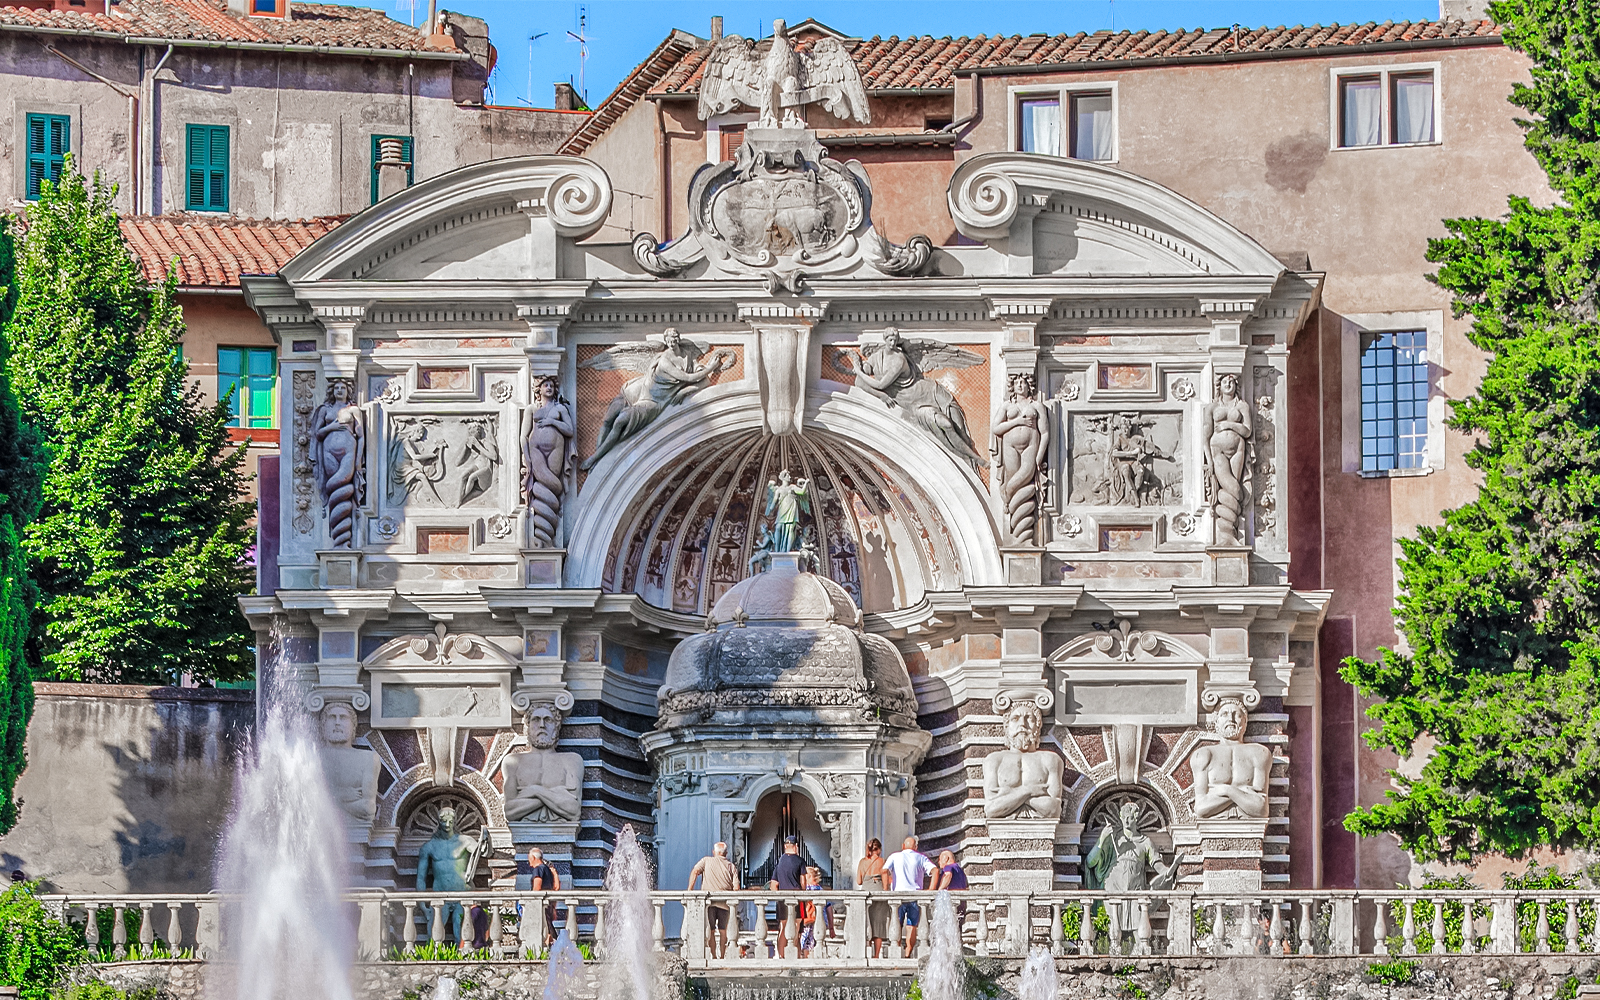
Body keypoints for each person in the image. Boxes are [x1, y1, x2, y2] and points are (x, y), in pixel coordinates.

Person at [883, 835, 935, 957]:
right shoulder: (921, 857)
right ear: (915, 847)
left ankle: (896, 951)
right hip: (915, 896)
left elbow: (883, 870)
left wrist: (886, 887)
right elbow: (935, 871)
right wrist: (931, 889)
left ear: (903, 846)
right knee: (911, 927)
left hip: (898, 896)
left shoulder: (895, 856)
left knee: (897, 923)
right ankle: (907, 953)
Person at [688, 841, 741, 958]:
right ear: (726, 853)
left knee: (710, 930)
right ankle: (722, 956)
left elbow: (695, 871)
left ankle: (713, 955)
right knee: (723, 930)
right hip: (725, 904)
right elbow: (736, 887)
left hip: (709, 903)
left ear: (714, 852)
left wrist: (689, 891)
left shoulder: (706, 861)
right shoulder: (731, 866)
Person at [769, 836, 806, 958]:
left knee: (783, 926)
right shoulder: (800, 861)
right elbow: (803, 883)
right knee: (796, 925)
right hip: (796, 898)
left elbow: (773, 884)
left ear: (785, 846)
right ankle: (793, 953)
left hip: (782, 899)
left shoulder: (779, 863)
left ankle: (780, 955)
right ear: (796, 846)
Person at [857, 839, 891, 958]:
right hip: (879, 893)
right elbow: (886, 882)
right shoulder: (882, 861)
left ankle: (866, 953)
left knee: (867, 923)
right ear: (879, 849)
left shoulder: (862, 862)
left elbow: (859, 881)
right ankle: (876, 955)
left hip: (866, 892)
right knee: (878, 925)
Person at [528, 847, 561, 947]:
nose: (529, 861)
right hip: (549, 904)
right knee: (548, 927)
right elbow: (556, 887)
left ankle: (557, 946)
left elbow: (536, 888)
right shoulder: (547, 869)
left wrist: (530, 901)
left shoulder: (538, 869)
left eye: (529, 858)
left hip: (540, 904)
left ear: (533, 857)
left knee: (545, 927)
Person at [936, 850, 969, 921]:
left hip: (951, 902)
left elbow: (948, 876)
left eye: (940, 859)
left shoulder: (948, 867)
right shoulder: (960, 870)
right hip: (961, 903)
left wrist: (940, 889)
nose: (938, 862)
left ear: (946, 858)